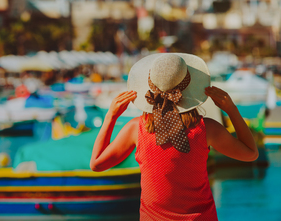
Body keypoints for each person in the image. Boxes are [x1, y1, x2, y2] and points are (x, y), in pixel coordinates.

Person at [90, 53, 258, 221]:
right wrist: (231, 109)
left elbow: (97, 164)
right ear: (190, 88)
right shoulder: (207, 129)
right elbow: (251, 153)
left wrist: (110, 117)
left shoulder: (136, 128)